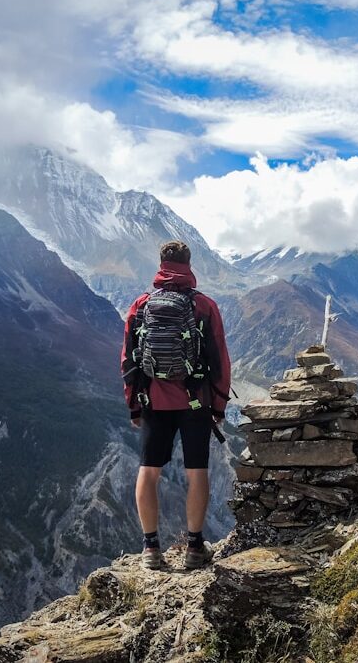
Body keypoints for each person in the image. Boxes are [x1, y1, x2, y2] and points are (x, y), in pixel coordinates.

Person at [120, 241, 231, 570]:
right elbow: (220, 361)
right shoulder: (204, 306)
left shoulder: (141, 305)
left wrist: (134, 405)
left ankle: (150, 549)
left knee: (149, 470)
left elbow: (128, 360)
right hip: (196, 401)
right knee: (197, 472)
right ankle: (195, 547)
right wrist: (219, 406)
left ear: (161, 265)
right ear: (189, 264)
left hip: (153, 400)